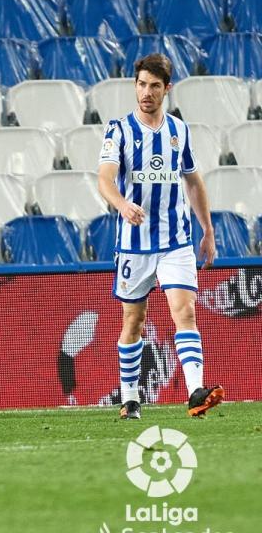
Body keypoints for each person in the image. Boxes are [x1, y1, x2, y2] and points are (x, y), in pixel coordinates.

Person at [97, 53, 223, 420]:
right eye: (141, 84)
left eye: (154, 86)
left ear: (167, 89)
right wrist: (121, 204)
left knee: (184, 312)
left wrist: (208, 230)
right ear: (134, 86)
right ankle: (131, 398)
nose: (146, 92)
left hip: (176, 240)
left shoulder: (178, 130)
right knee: (133, 321)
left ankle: (195, 392)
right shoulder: (118, 130)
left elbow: (194, 182)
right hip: (134, 245)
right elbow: (104, 178)